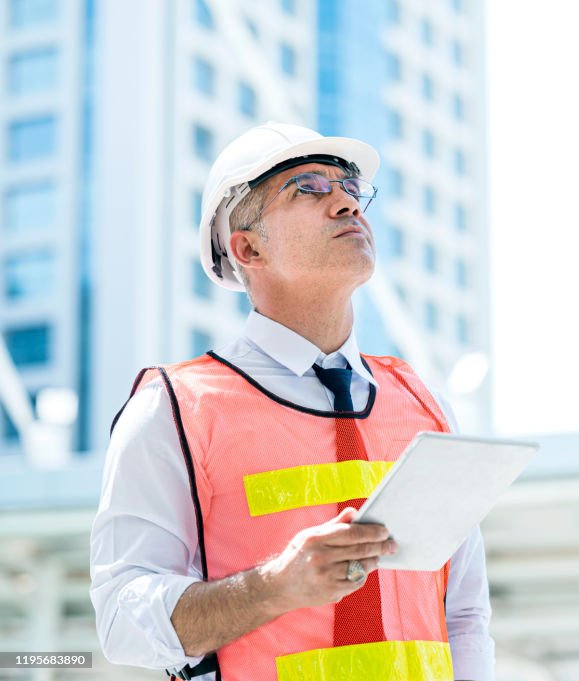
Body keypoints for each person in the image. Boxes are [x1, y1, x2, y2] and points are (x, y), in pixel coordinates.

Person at [89, 122, 494, 681]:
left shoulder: (420, 401)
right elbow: (121, 622)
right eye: (308, 187)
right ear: (248, 247)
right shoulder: (175, 408)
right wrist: (275, 585)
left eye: (350, 188)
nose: (346, 204)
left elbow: (465, 615)